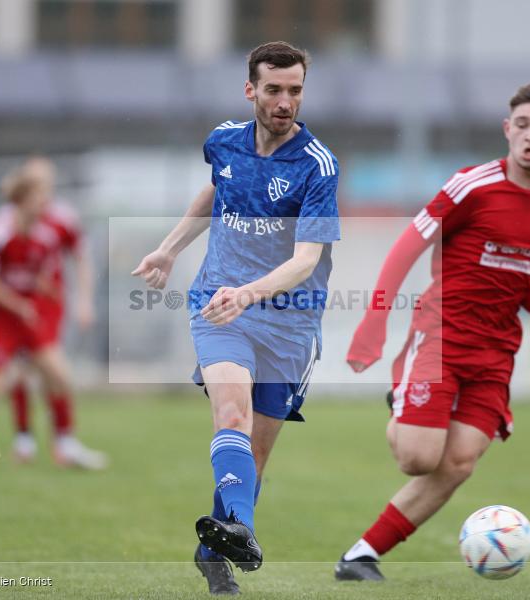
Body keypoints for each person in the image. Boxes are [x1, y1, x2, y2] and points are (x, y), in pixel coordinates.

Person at [334, 82, 530, 581]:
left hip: (496, 354)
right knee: (417, 458)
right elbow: (406, 248)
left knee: (460, 462)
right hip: (442, 337)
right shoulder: (472, 186)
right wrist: (376, 319)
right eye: (521, 125)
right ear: (506, 129)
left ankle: (361, 556)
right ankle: (404, 403)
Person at [132, 41, 340, 595]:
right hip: (221, 308)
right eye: (274, 89)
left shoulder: (317, 165)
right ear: (251, 90)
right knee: (232, 417)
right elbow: (215, 189)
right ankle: (242, 530)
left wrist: (249, 293)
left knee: (257, 452)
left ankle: (213, 548)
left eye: (295, 90)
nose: (285, 101)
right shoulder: (224, 140)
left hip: (290, 322)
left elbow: (306, 259)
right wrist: (170, 249)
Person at [0, 162, 106, 476]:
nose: (47, 201)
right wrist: (18, 305)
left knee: (59, 374)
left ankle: (65, 442)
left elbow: (39, 270)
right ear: (22, 199)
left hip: (27, 314)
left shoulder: (47, 232)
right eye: (40, 194)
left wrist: (50, 291)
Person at [3, 157, 98, 465]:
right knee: (25, 371)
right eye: (34, 182)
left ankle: (61, 441)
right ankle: (27, 438)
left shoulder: (62, 217)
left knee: (49, 373)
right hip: (16, 307)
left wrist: (84, 300)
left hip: (49, 307)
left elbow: (80, 258)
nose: (42, 188)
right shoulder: (8, 217)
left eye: (46, 182)